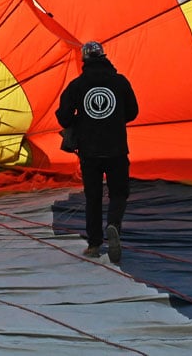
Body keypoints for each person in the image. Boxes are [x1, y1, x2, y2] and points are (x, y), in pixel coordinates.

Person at [56, 41, 138, 263]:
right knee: (119, 193)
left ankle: (94, 244)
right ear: (104, 56)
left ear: (84, 60)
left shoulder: (77, 85)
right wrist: (114, 119)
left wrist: (80, 121)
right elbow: (133, 112)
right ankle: (114, 225)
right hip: (117, 149)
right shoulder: (120, 82)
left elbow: (62, 116)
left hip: (89, 152)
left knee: (93, 197)